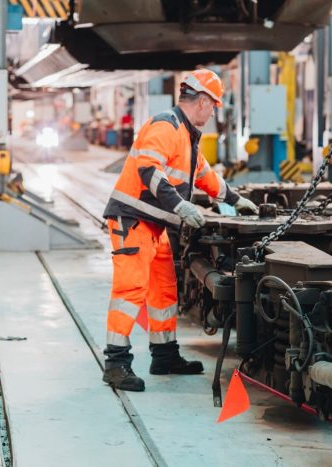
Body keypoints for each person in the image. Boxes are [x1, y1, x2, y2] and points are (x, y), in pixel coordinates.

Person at [101, 69, 258, 392]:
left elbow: (205, 176)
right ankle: (116, 364)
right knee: (130, 291)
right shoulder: (165, 126)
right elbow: (149, 170)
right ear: (201, 101)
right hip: (132, 221)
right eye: (212, 105)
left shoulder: (187, 138)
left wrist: (236, 199)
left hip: (154, 226)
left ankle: (164, 355)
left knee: (163, 290)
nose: (212, 112)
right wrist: (180, 206)